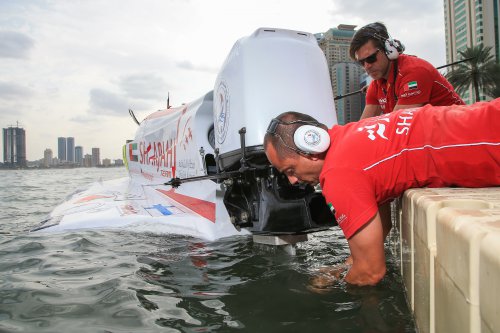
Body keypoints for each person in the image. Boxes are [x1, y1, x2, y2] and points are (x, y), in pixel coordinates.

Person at [263, 99, 500, 286]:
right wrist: (343, 268)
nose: (293, 180)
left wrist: (322, 298)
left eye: (290, 169)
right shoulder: (351, 136)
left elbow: (370, 272)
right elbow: (381, 228)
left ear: (311, 148)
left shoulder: (338, 173)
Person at [350, 22, 464, 119]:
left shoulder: (415, 72)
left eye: (371, 58)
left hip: (460, 132)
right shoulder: (376, 85)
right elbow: (364, 126)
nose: (367, 66)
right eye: (361, 62)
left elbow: (396, 125)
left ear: (388, 50)